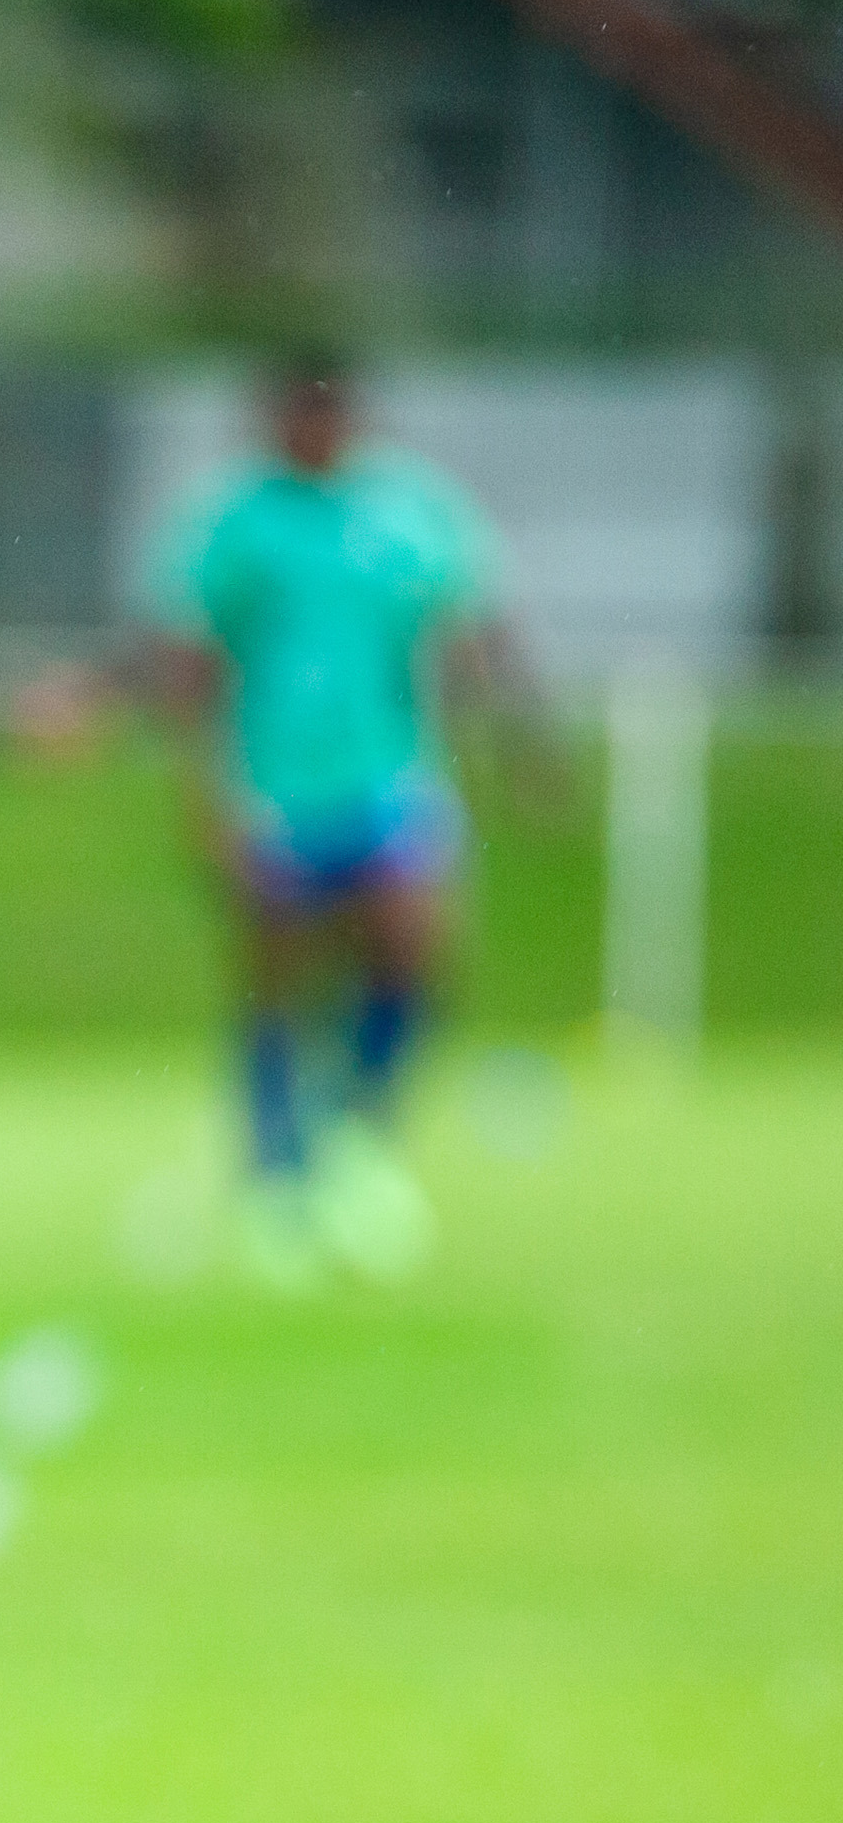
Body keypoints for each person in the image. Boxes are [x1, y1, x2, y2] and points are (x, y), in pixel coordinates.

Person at [145, 352, 547, 1285]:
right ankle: (278, 1177)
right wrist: (204, 797)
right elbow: (191, 660)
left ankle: (363, 1135)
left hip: (388, 779)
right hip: (275, 789)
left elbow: (473, 628)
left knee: (413, 947)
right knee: (280, 979)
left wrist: (524, 742)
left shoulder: (411, 511)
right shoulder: (238, 522)